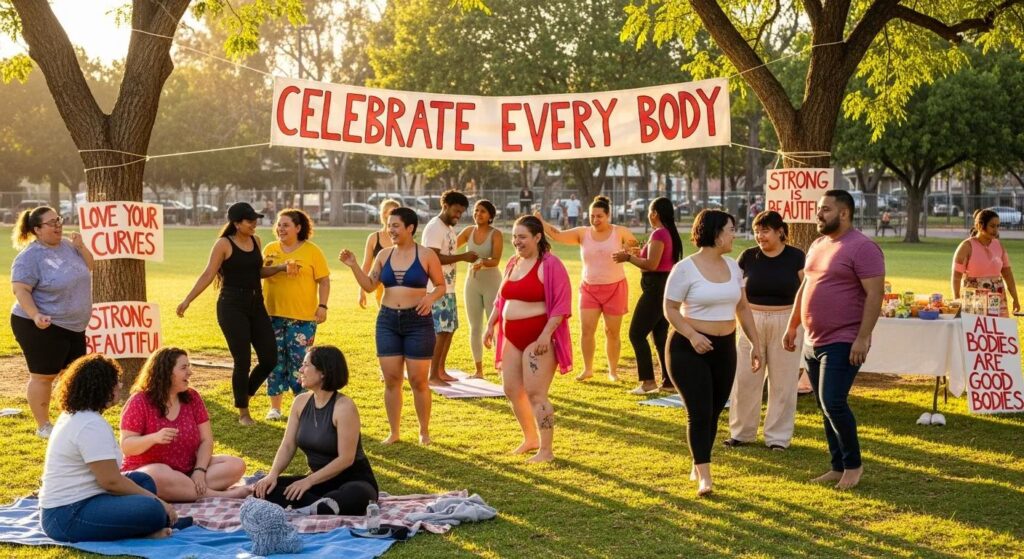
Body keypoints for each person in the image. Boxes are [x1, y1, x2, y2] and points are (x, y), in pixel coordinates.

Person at [784, 190, 885, 491]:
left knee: (833, 402)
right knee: (823, 404)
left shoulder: (863, 248)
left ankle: (853, 466)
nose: (818, 214)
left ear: (844, 213)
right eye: (818, 209)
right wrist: (792, 326)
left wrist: (862, 338)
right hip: (813, 341)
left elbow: (875, 295)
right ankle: (837, 465)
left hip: (844, 339)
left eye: (825, 209)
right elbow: (806, 287)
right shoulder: (817, 244)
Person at [663, 209, 762, 497]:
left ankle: (699, 457)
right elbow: (669, 309)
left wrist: (755, 343)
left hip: (724, 347)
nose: (734, 234)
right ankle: (704, 474)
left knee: (715, 410)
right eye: (731, 229)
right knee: (699, 411)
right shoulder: (685, 268)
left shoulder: (733, 267)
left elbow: (742, 307)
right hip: (688, 347)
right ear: (716, 233)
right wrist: (693, 336)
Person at [39, 354, 180, 542]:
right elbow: (111, 482)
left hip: (87, 498)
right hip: (67, 515)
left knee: (143, 480)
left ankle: (147, 526)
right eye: (116, 382)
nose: (120, 386)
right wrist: (160, 503)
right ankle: (151, 526)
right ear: (101, 387)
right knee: (152, 509)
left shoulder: (79, 415)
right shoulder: (89, 424)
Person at [339, 207, 445, 445]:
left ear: (410, 228)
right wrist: (354, 265)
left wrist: (429, 298)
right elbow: (369, 285)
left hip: (417, 321)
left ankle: (424, 432)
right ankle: (394, 432)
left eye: (396, 225)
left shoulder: (426, 255)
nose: (391, 230)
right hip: (387, 321)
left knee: (419, 380)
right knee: (392, 379)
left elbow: (440, 286)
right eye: (389, 226)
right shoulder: (384, 255)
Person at [177, 202, 278, 425]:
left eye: (255, 220)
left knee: (270, 357)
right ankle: (243, 413)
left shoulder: (256, 240)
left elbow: (257, 271)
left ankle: (244, 394)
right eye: (249, 221)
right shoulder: (224, 244)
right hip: (232, 305)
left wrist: (280, 268)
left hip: (256, 304)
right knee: (242, 359)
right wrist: (187, 300)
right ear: (236, 223)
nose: (254, 224)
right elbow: (208, 274)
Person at [485, 216, 573, 463]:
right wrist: (491, 323)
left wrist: (545, 335)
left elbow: (561, 305)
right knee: (512, 389)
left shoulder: (550, 264)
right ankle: (530, 438)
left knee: (536, 393)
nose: (517, 242)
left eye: (522, 237)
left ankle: (546, 451)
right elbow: (501, 300)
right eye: (514, 236)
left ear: (537, 237)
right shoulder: (513, 263)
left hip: (538, 339)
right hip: (512, 337)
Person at [253, 346, 379, 515]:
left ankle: (315, 506)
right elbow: (288, 445)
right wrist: (272, 475)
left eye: (306, 365)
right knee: (264, 490)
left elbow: (346, 459)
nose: (300, 370)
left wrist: (308, 482)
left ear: (323, 373)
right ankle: (318, 507)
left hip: (354, 482)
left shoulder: (344, 407)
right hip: (319, 482)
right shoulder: (300, 402)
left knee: (350, 498)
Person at [120, 347, 251, 501]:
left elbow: (206, 440)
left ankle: (182, 490)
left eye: (189, 366)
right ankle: (222, 495)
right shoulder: (139, 401)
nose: (190, 372)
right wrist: (154, 438)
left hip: (188, 469)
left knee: (235, 464)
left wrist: (199, 470)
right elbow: (127, 446)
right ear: (166, 372)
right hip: (151, 472)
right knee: (157, 474)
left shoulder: (192, 397)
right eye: (184, 368)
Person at [725, 211, 805, 450]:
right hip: (751, 321)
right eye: (757, 231)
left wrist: (796, 324)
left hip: (787, 321)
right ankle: (741, 433)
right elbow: (734, 288)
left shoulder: (796, 257)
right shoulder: (748, 256)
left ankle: (778, 438)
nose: (760, 236)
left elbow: (806, 291)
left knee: (783, 381)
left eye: (765, 230)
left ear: (780, 231)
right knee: (745, 378)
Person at [10, 206, 93, 439]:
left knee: (75, 374)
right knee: (43, 375)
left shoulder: (68, 246)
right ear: (36, 229)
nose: (58, 225)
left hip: (74, 325)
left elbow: (90, 266)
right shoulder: (30, 257)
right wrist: (36, 315)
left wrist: (81, 247)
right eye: (51, 223)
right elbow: (21, 290)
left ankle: (72, 420)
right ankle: (44, 426)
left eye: (58, 220)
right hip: (41, 324)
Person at [537, 195, 637, 381]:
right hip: (589, 288)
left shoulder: (620, 232)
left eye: (599, 216)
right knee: (587, 331)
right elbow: (558, 235)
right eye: (592, 216)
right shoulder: (583, 233)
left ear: (608, 216)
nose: (595, 220)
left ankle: (613, 371)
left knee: (612, 332)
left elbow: (636, 248)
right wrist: (541, 222)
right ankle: (588, 369)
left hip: (615, 287)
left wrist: (628, 251)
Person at [262, 209, 331, 420]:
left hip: (303, 318)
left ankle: (301, 407)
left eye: (286, 225)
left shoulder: (312, 251)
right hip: (272, 315)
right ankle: (275, 408)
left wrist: (323, 305)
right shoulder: (270, 249)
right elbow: (260, 273)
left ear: (298, 228)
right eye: (279, 224)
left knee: (301, 362)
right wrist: (281, 268)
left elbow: (324, 280)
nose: (280, 229)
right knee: (274, 360)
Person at [614, 197, 682, 394]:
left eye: (649, 212)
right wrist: (637, 254)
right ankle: (669, 382)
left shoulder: (660, 233)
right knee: (659, 336)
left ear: (654, 214)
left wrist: (628, 257)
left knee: (636, 334)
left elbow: (652, 264)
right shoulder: (667, 232)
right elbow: (656, 260)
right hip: (662, 285)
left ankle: (648, 381)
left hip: (656, 288)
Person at [421, 190, 479, 386]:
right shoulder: (435, 228)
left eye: (461, 212)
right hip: (435, 288)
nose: (458, 215)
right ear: (444, 206)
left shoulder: (448, 228)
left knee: (449, 329)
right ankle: (432, 375)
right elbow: (433, 256)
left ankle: (440, 370)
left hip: (448, 287)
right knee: (440, 331)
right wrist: (463, 257)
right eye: (455, 211)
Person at [457, 200, 504, 378]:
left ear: (490, 216)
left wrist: (481, 262)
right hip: (472, 284)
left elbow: (496, 260)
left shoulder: (496, 234)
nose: (478, 214)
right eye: (476, 211)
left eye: (483, 211)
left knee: (495, 326)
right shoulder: (469, 231)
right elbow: (451, 245)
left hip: (492, 283)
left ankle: (501, 368)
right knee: (475, 327)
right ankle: (479, 370)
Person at [951, 208, 1019, 316]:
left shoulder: (999, 246)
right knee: (975, 331)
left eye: (998, 226)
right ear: (979, 225)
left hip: (997, 300)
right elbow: (956, 276)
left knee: (998, 330)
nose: (996, 230)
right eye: (992, 226)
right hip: (973, 300)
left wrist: (1015, 298)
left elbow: (1008, 274)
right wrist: (956, 299)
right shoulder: (966, 247)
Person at [358, 199, 401, 309]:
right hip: (381, 289)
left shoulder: (402, 236)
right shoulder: (373, 238)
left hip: (401, 288)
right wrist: (361, 290)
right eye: (392, 212)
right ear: (384, 214)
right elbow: (366, 265)